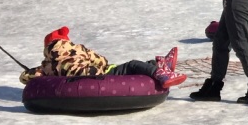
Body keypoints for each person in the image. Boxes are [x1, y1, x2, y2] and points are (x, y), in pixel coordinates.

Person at [19, 26, 185, 90]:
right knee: (133, 65)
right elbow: (102, 60)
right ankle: (160, 70)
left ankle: (159, 65)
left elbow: (27, 77)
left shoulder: (48, 66)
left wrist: (30, 72)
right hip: (102, 74)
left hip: (82, 81)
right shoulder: (78, 49)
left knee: (134, 67)